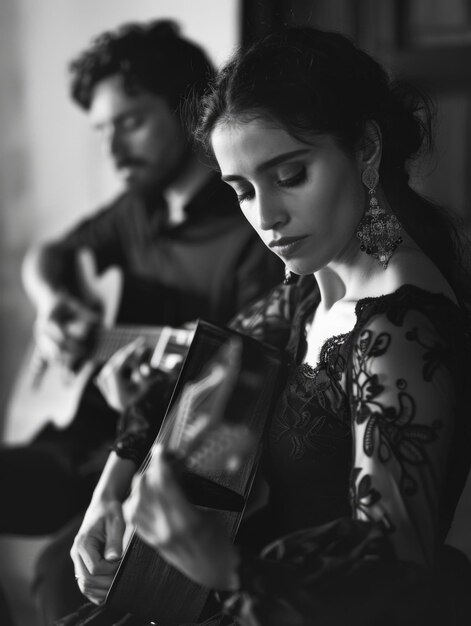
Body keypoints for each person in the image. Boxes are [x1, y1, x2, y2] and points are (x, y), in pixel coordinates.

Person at [63, 25, 471, 626]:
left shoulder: (400, 335)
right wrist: (110, 491)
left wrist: (229, 573)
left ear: (366, 149)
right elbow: (196, 372)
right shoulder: (312, 286)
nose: (267, 216)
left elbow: (395, 578)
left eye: (290, 176)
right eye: (242, 190)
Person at [0, 19, 283, 626]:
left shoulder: (254, 229)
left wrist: (135, 443)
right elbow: (46, 258)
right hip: (80, 442)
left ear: (188, 111)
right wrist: (53, 305)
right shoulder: (137, 208)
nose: (113, 150)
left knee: (61, 578)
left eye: (129, 123)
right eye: (102, 130)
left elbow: (237, 393)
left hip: (158, 462)